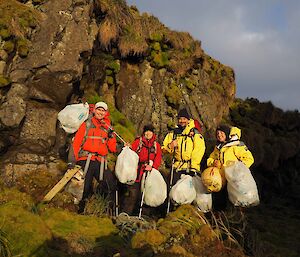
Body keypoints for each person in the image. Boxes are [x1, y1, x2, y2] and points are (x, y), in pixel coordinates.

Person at [72, 101, 117, 214]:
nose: (100, 112)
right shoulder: (86, 124)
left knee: (110, 185)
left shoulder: (108, 128)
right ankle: (79, 212)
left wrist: (111, 137)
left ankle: (106, 211)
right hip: (85, 159)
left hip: (101, 162)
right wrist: (72, 161)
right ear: (94, 110)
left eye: (103, 110)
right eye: (99, 109)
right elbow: (76, 143)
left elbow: (113, 148)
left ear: (106, 113)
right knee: (84, 188)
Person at [162, 108, 206, 208]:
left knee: (188, 193)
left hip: (190, 167)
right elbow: (163, 149)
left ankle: (187, 213)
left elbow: (198, 151)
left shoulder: (195, 134)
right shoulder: (173, 133)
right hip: (177, 166)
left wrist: (193, 168)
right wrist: (170, 146)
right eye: (180, 119)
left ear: (188, 119)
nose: (182, 121)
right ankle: (172, 212)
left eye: (184, 119)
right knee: (172, 190)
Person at [207, 124, 254, 210]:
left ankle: (234, 219)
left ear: (227, 134)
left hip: (234, 179)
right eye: (217, 133)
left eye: (222, 133)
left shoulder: (236, 146)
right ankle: (218, 218)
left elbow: (249, 159)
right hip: (220, 179)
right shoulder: (217, 147)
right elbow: (210, 159)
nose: (219, 135)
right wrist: (213, 162)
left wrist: (237, 169)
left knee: (234, 202)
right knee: (219, 201)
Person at [122, 124, 162, 216]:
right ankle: (126, 214)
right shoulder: (138, 142)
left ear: (153, 133)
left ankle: (143, 216)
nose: (148, 133)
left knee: (146, 195)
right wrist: (127, 147)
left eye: (150, 131)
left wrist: (152, 167)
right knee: (133, 194)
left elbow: (158, 158)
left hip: (149, 174)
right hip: (137, 172)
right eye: (146, 131)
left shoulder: (156, 145)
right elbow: (132, 151)